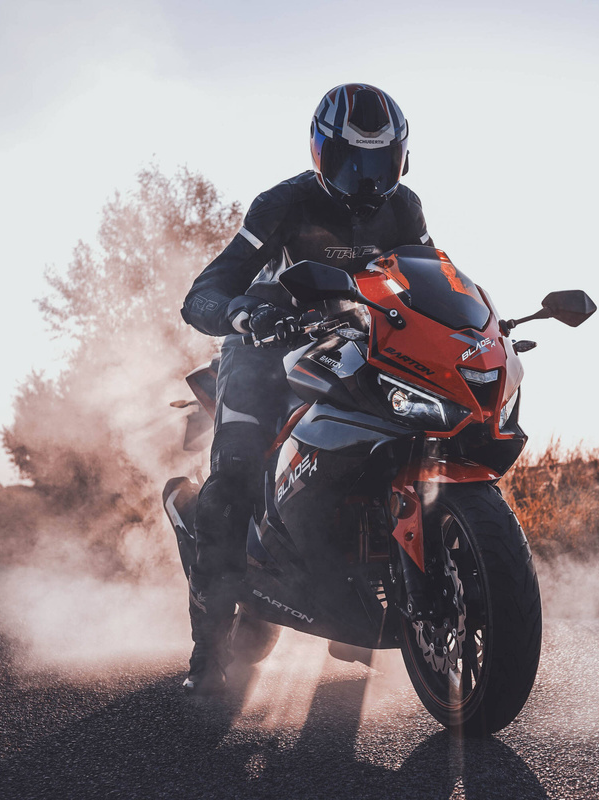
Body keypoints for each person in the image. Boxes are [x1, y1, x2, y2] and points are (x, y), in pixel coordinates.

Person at [178, 83, 435, 693]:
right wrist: (244, 313)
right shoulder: (283, 204)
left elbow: (430, 279)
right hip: (264, 349)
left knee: (417, 435)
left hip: (355, 346)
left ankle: (363, 587)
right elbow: (204, 292)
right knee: (232, 483)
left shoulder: (405, 208)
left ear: (402, 158)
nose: (367, 179)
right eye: (351, 162)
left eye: (381, 162)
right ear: (321, 152)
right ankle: (207, 652)